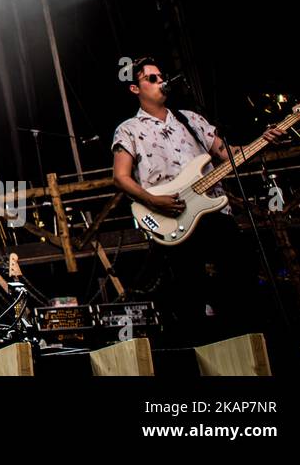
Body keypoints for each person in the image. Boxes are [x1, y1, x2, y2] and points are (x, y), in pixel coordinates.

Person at [111, 58, 281, 343]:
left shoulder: (190, 119)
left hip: (213, 212)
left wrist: (263, 140)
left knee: (242, 270)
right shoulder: (128, 129)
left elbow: (227, 154)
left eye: (160, 76)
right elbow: (121, 177)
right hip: (173, 217)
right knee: (188, 288)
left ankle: (247, 341)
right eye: (151, 78)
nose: (160, 82)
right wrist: (154, 201)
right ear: (134, 88)